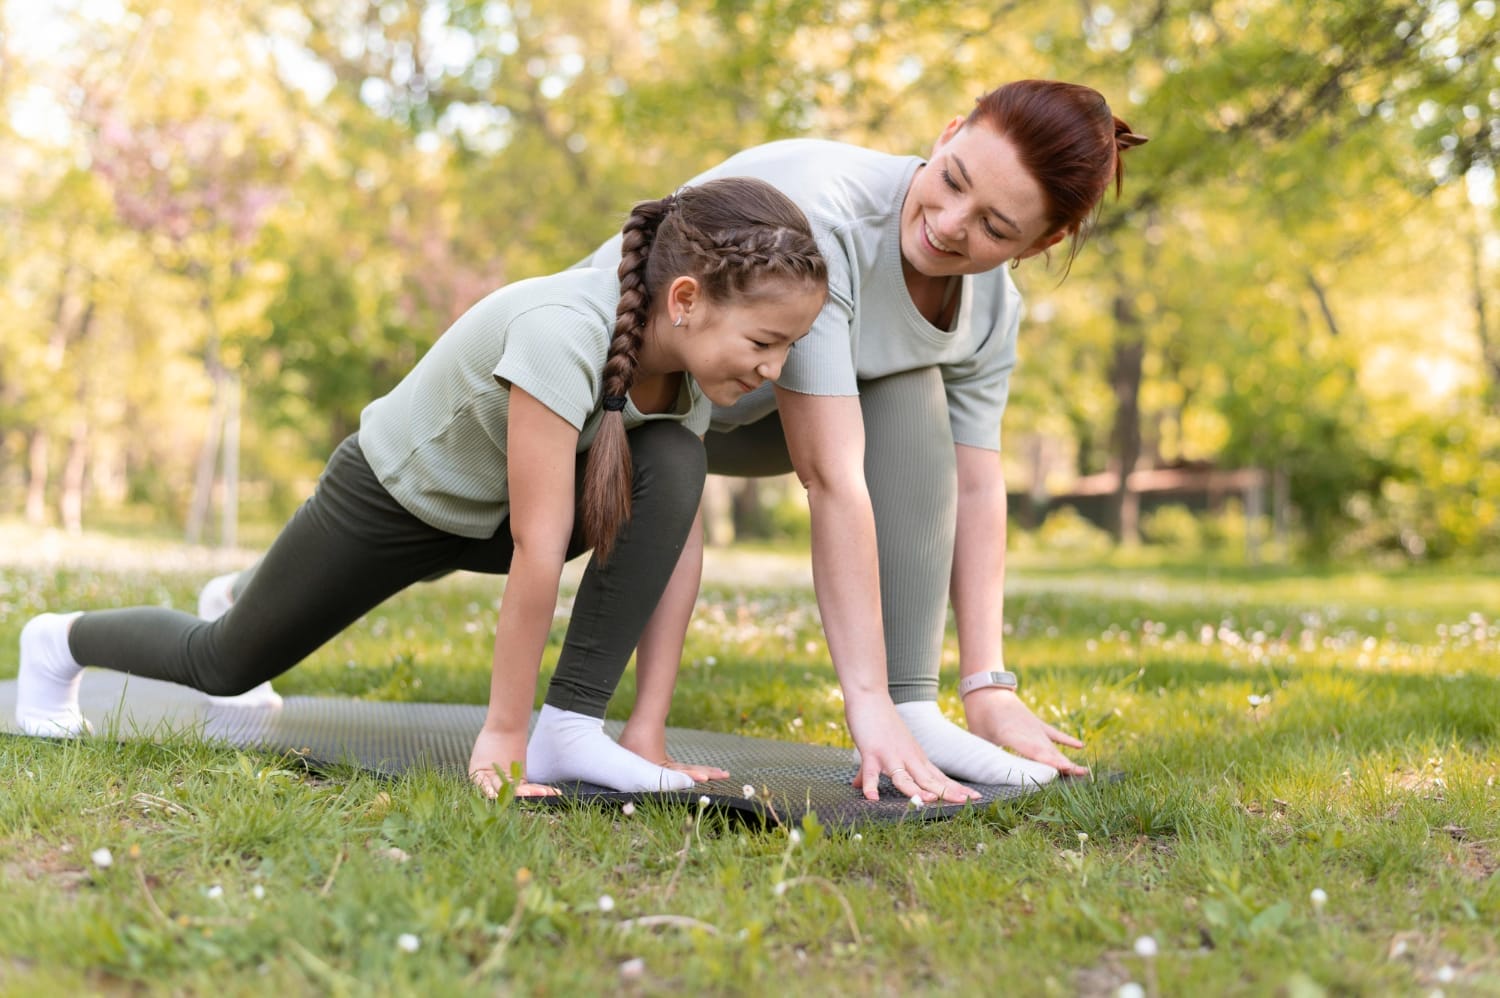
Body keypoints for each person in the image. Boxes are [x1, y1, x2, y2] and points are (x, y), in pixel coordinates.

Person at [15, 176, 862, 800]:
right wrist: (500, 737)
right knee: (224, 662)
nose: (773, 370)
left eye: (787, 348)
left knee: (677, 464)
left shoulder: (685, 374)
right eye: (766, 340)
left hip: (496, 514)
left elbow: (674, 549)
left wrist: (644, 731)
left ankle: (573, 729)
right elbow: (539, 548)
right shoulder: (560, 334)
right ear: (686, 300)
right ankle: (61, 639)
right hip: (398, 497)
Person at [561, 80, 1148, 791]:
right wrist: (861, 707)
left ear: (1044, 240)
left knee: (909, 380)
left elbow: (973, 483)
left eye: (996, 228)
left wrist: (987, 685)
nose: (950, 224)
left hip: (728, 417)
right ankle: (888, 703)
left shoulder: (992, 307)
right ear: (946, 133)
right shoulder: (829, 220)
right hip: (599, 404)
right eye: (952, 180)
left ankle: (915, 702)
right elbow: (831, 476)